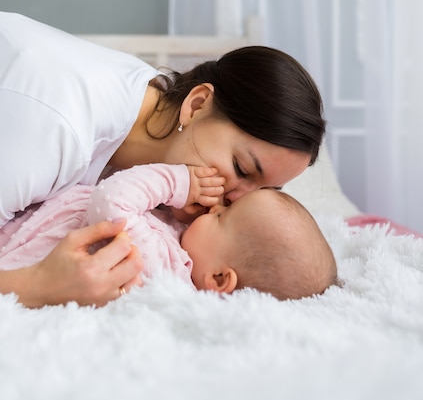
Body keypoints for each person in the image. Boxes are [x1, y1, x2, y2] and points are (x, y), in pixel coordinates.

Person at [0, 12, 326, 306]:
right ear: (197, 105)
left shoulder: (155, 123)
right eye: (241, 168)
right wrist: (38, 284)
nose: (235, 200)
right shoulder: (55, 130)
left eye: (261, 192)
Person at [0, 163, 337, 303]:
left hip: (20, 257)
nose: (218, 205)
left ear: (219, 278)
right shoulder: (181, 245)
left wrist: (179, 180)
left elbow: (112, 201)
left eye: (224, 216)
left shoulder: (162, 266)